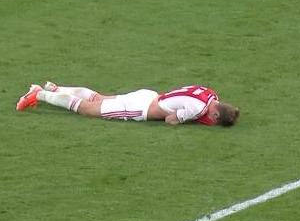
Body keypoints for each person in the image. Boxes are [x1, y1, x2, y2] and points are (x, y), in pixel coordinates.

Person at [16, 82, 239, 127]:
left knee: (98, 98)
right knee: (89, 109)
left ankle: (56, 89)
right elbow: (171, 120)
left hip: (148, 95)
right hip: (142, 109)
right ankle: (40, 94)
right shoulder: (198, 109)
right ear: (215, 116)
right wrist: (189, 119)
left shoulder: (210, 93)